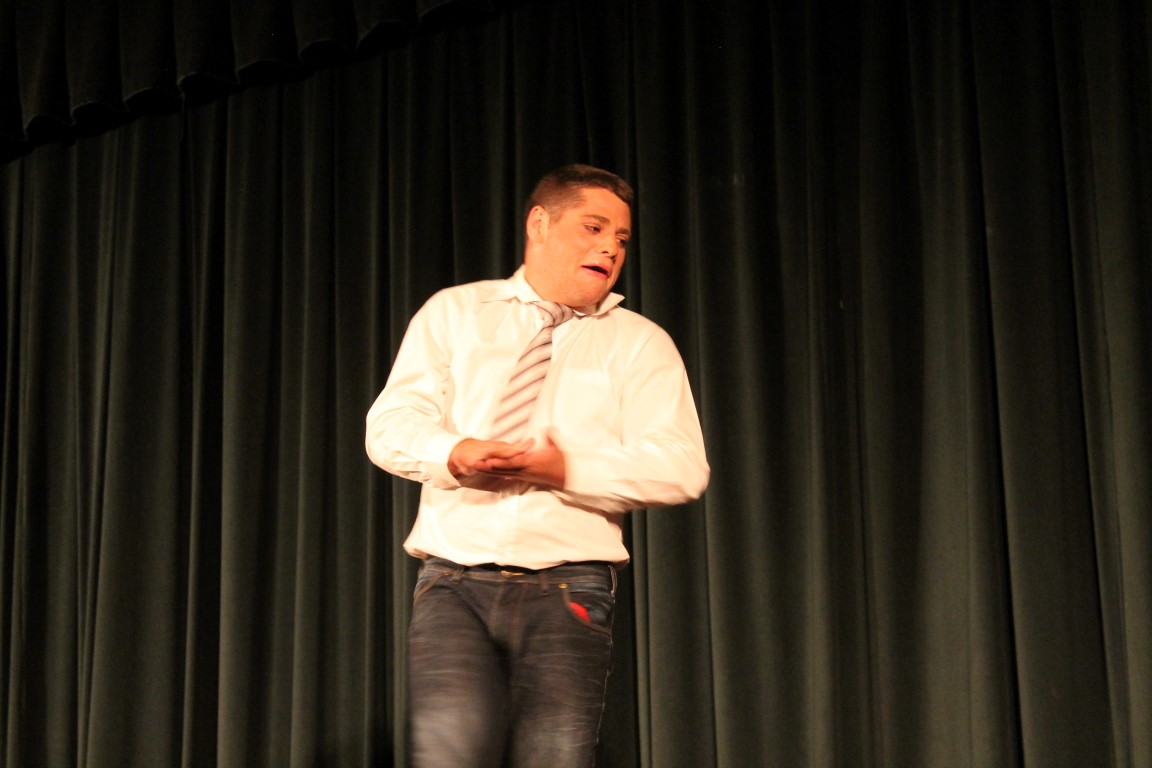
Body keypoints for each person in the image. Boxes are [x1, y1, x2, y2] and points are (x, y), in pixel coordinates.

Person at [365, 163, 709, 768]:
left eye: (621, 238)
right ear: (540, 223)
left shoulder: (639, 342)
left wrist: (564, 469)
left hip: (570, 586)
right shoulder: (457, 313)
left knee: (555, 757)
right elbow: (390, 425)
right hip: (452, 583)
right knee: (446, 755)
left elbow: (681, 466)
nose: (610, 248)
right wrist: (453, 452)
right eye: (593, 228)